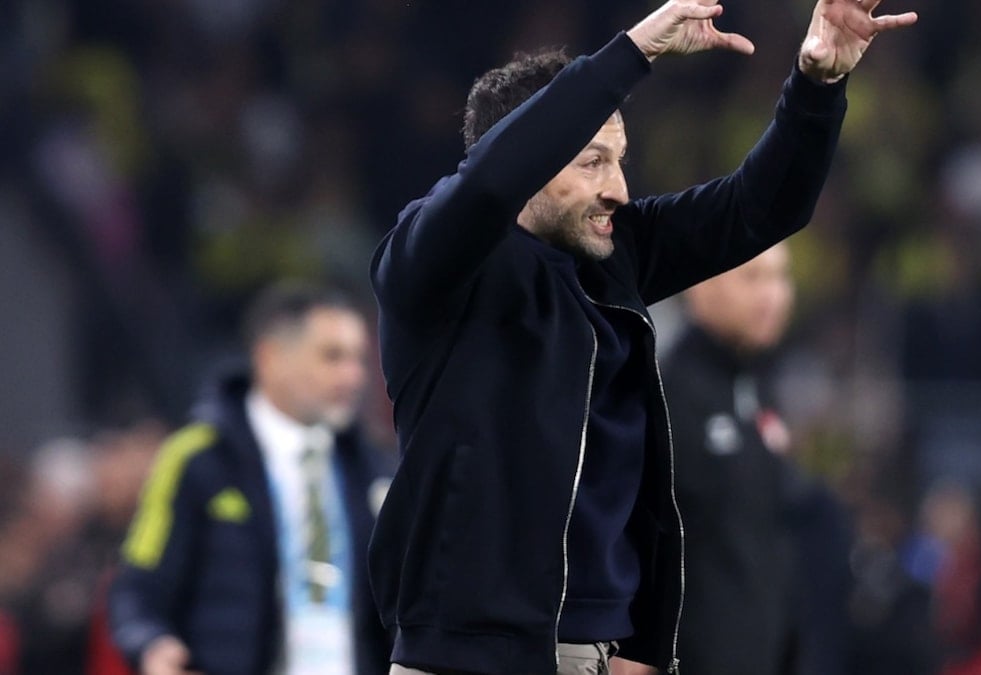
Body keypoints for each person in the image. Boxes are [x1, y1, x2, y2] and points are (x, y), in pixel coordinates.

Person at [368, 1, 917, 673]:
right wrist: (632, 52)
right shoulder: (429, 265)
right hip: (466, 657)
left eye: (620, 160)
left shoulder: (613, 259)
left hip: (599, 652)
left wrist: (816, 87)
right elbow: (486, 186)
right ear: (527, 151)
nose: (619, 190)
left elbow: (758, 209)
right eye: (593, 161)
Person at [109, 282, 392, 675]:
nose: (353, 377)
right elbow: (139, 587)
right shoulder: (198, 458)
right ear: (270, 357)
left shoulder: (373, 468)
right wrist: (152, 645)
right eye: (332, 357)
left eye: (359, 359)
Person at [663, 243, 856, 675]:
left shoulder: (755, 388)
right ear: (699, 286)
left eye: (781, 277)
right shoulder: (670, 395)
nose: (773, 295)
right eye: (753, 278)